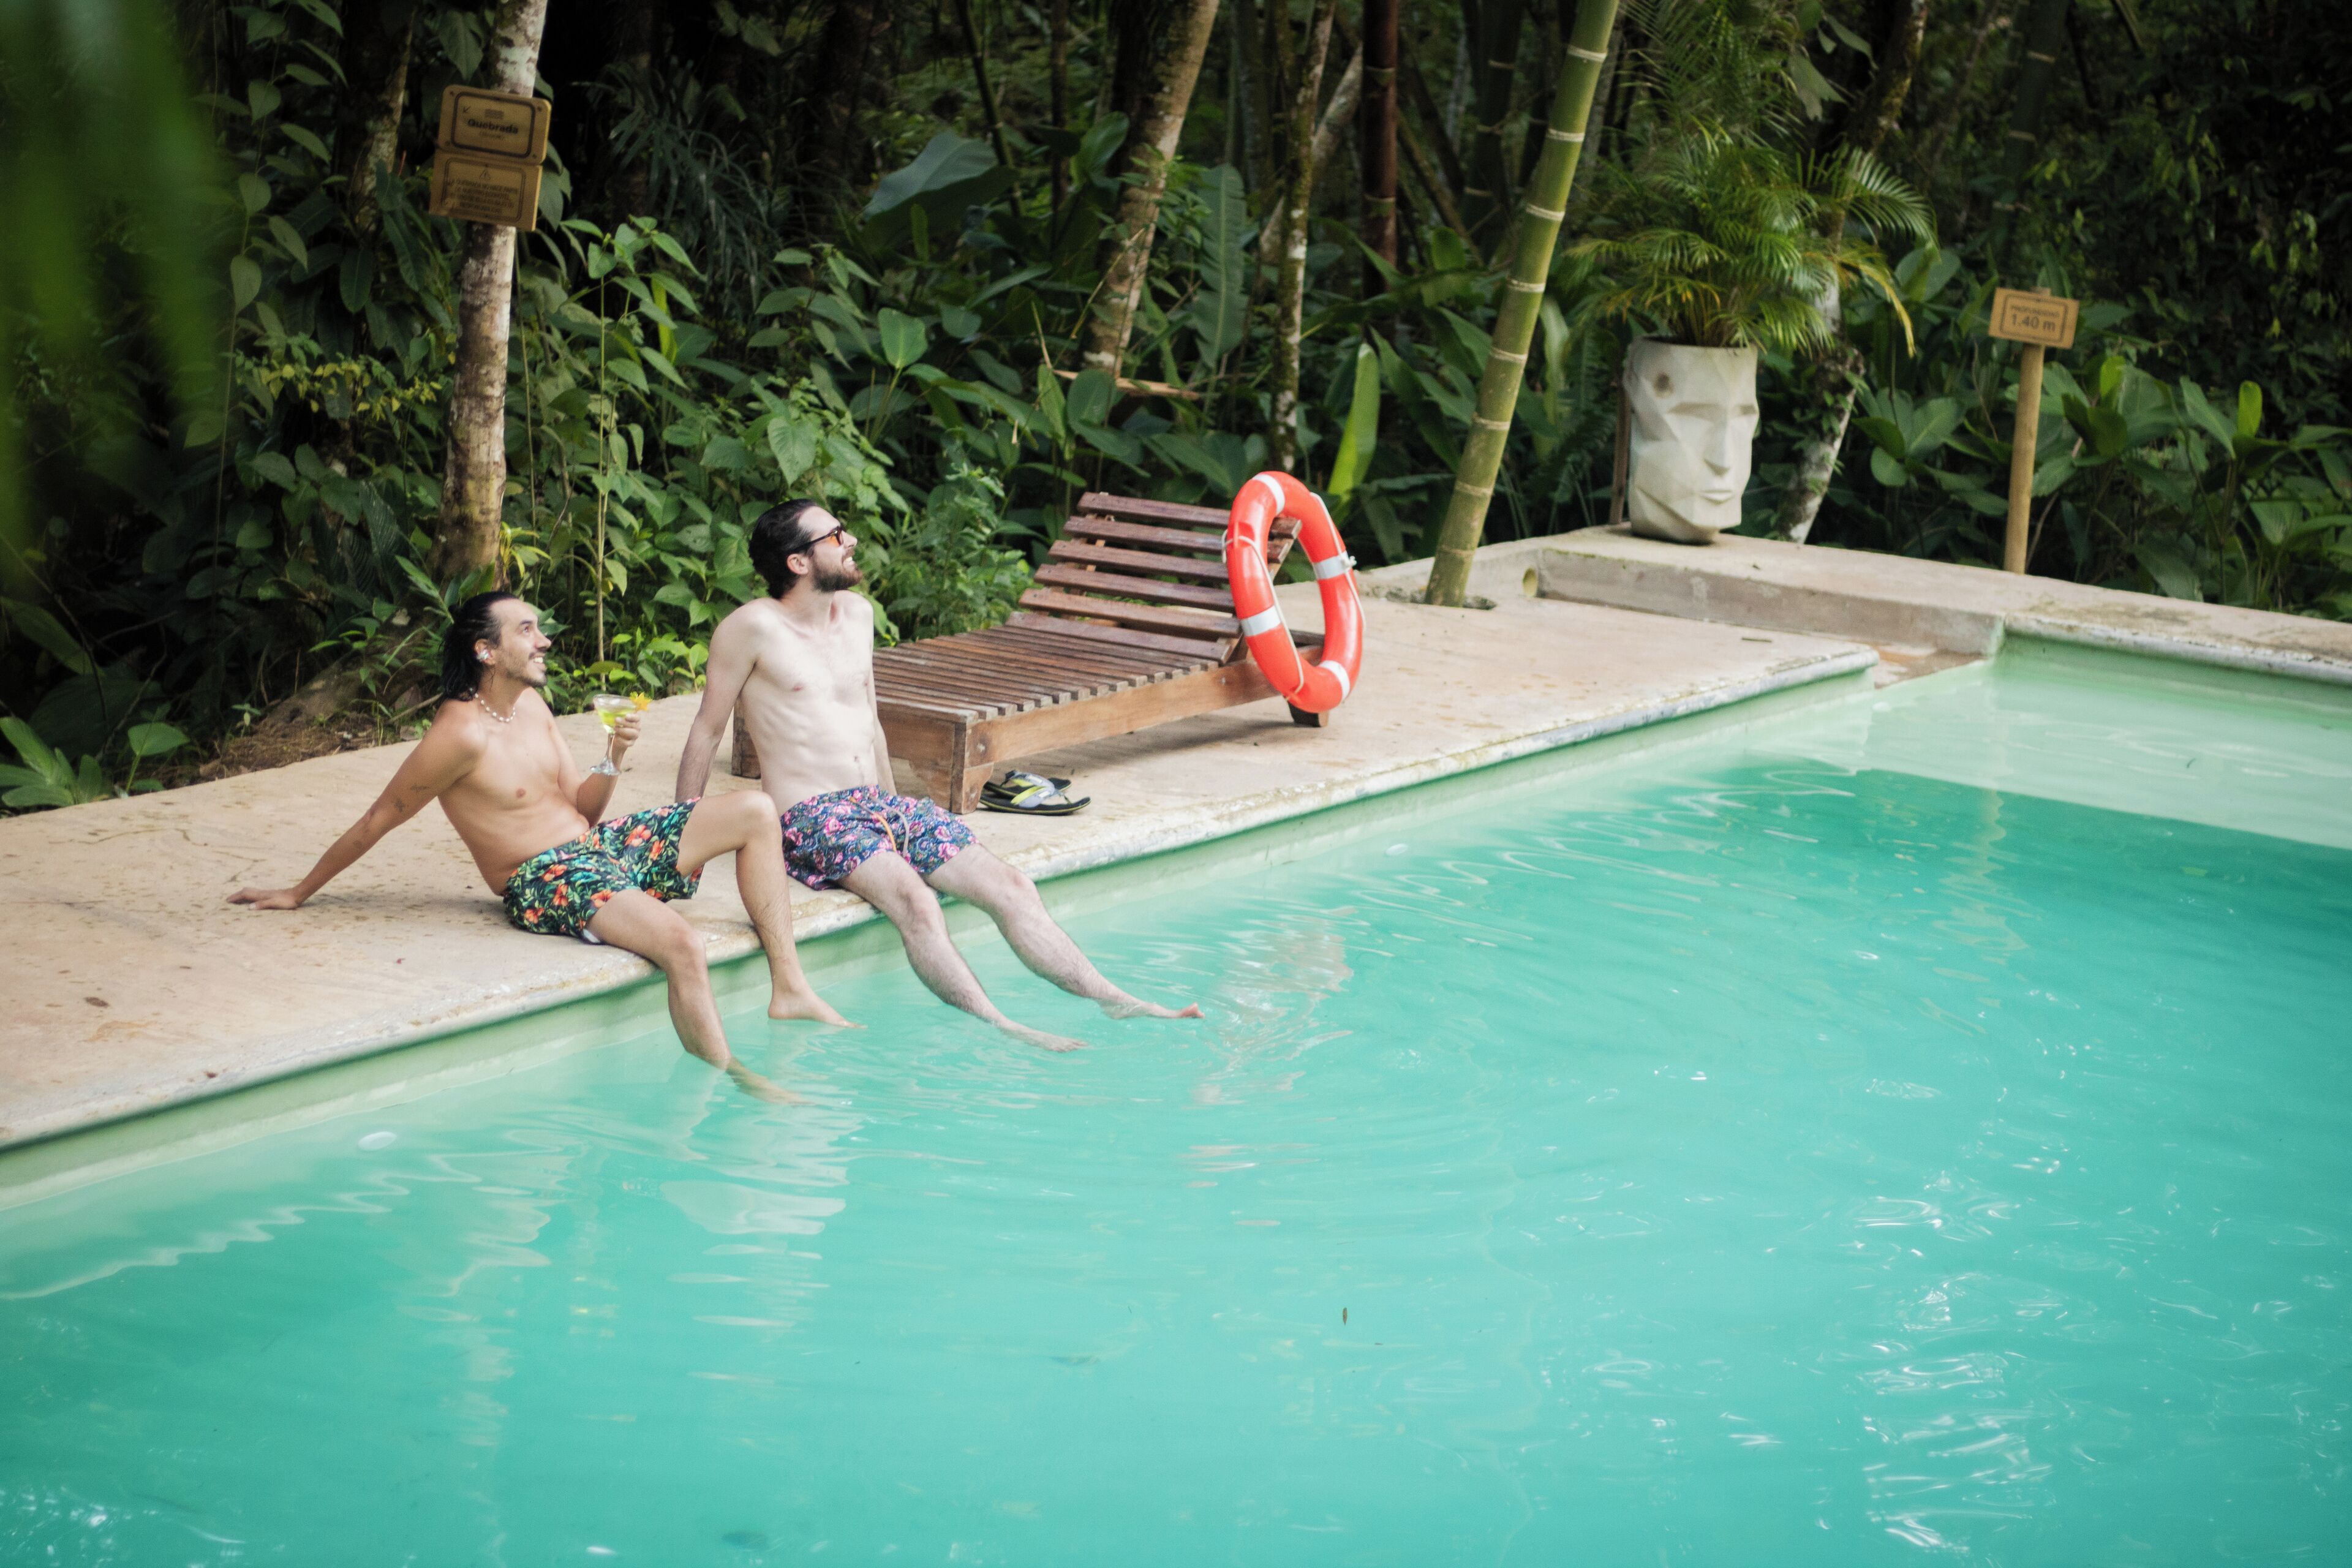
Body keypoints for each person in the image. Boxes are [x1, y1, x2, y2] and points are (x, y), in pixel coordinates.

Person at [229, 590, 847, 1099]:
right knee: (682, 945)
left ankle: (789, 987)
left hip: (596, 846)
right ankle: (734, 1081)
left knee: (755, 810)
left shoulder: (533, 707)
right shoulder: (458, 736)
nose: (544, 640)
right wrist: (298, 891)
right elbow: (378, 818)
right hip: (545, 877)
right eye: (527, 630)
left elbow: (581, 806)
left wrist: (614, 754)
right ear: (486, 651)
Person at [674, 500, 1203, 1053]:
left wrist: (893, 809)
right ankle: (1003, 1025)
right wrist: (681, 840)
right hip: (812, 815)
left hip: (880, 804)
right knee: (916, 901)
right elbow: (707, 731)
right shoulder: (751, 629)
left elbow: (870, 720)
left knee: (1011, 886)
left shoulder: (857, 614)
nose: (850, 540)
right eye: (834, 535)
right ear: (799, 562)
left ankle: (1112, 999)